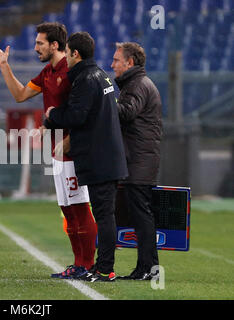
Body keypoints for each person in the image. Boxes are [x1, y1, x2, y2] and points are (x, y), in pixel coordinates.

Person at [0, 22, 97, 279]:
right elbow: (20, 95)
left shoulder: (73, 73)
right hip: (56, 151)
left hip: (74, 150)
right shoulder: (48, 72)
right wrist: (4, 66)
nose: (36, 47)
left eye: (40, 43)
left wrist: (65, 139)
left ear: (55, 45)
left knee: (80, 207)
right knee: (67, 209)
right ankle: (78, 264)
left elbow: (81, 114)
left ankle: (88, 265)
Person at [45, 32, 128, 282]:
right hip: (108, 156)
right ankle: (101, 267)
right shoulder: (102, 75)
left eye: (68, 53)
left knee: (103, 216)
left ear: (75, 54)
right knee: (104, 215)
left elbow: (77, 116)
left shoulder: (85, 78)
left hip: (100, 159)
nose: (66, 58)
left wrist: (52, 115)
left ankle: (105, 269)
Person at [111, 42, 162, 280]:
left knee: (141, 216)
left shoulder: (137, 85)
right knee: (140, 216)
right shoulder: (138, 83)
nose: (112, 65)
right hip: (139, 159)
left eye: (116, 60)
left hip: (139, 160)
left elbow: (127, 112)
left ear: (129, 63)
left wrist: (106, 101)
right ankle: (145, 268)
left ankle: (149, 269)